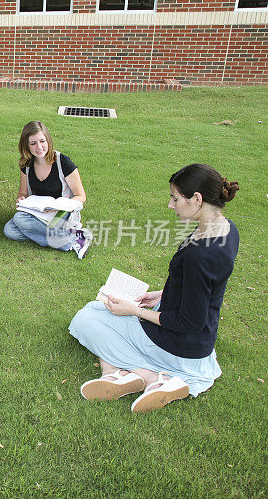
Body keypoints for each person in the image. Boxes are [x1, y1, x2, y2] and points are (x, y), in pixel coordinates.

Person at [69, 164, 240, 412]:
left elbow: (189, 322)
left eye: (175, 198)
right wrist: (163, 293)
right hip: (196, 334)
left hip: (181, 343)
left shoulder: (201, 255)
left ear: (197, 199)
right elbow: (204, 287)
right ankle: (118, 375)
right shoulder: (225, 228)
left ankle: (148, 377)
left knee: (86, 319)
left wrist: (134, 311)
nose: (171, 205)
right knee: (99, 310)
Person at [3, 121, 91, 258]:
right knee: (9, 230)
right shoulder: (26, 165)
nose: (39, 147)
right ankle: (73, 237)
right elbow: (23, 193)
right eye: (33, 143)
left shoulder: (63, 162)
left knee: (19, 220)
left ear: (48, 140)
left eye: (42, 141)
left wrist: (58, 207)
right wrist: (21, 199)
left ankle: (68, 239)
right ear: (26, 146)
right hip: (39, 212)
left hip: (61, 213)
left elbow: (81, 196)